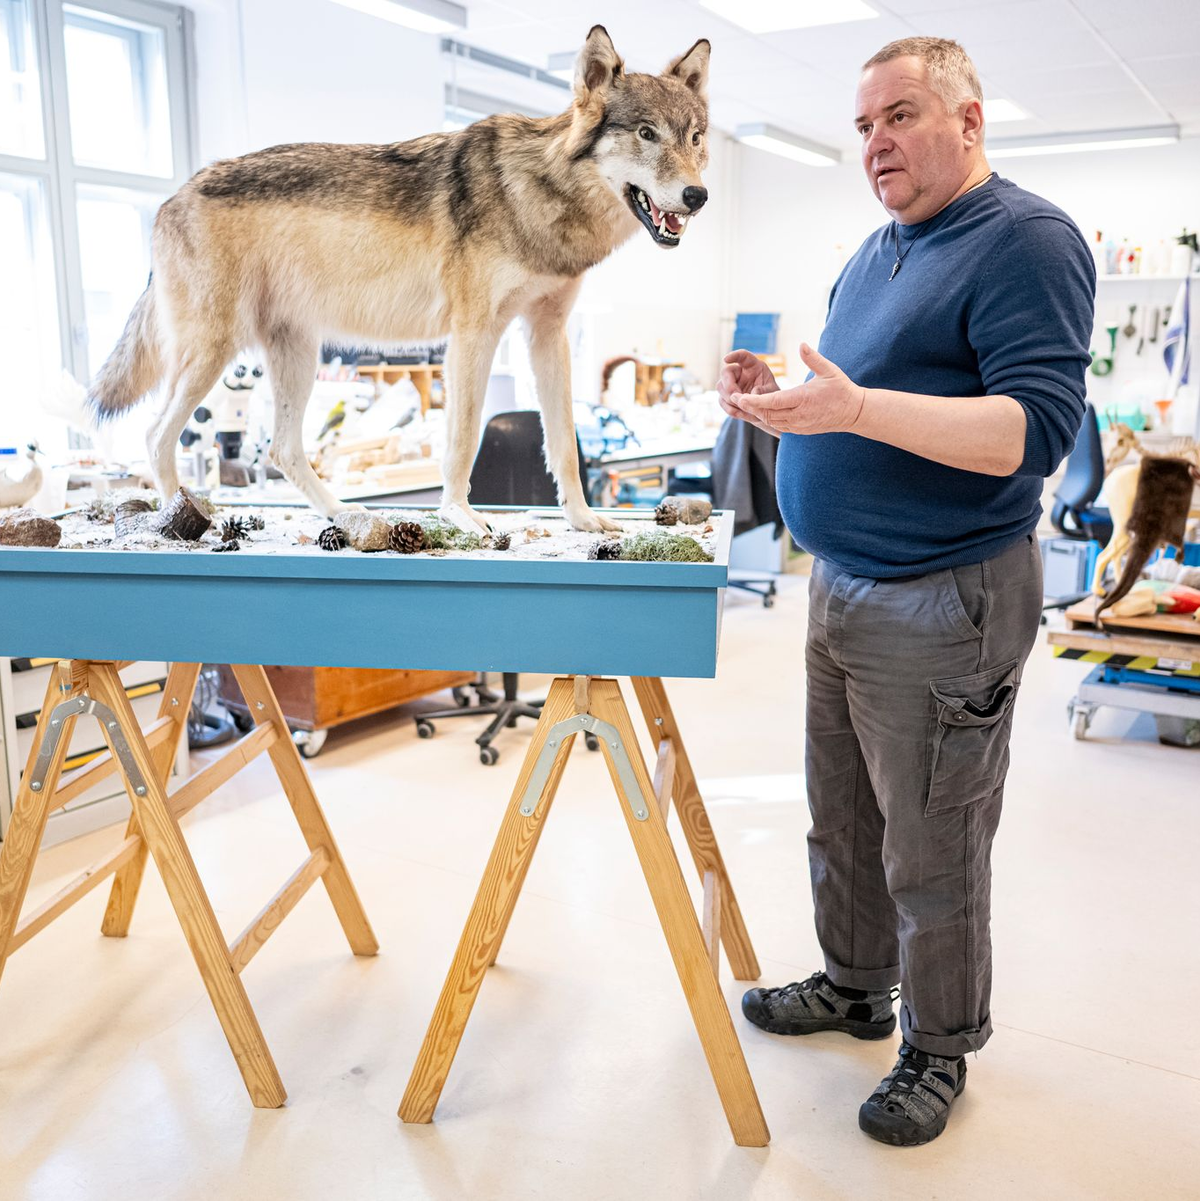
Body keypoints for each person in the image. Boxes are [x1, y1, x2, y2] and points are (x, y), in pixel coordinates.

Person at [717, 37, 1095, 1147]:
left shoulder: (1024, 240)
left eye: (901, 115)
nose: (876, 142)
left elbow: (1034, 434)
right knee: (841, 822)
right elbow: (861, 395)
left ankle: (939, 1043)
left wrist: (855, 414)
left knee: (931, 846)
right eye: (864, 126)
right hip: (842, 588)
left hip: (946, 596)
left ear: (970, 122)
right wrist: (783, 398)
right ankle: (853, 984)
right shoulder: (880, 248)